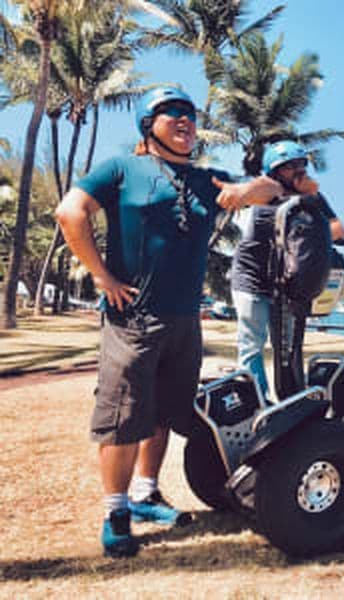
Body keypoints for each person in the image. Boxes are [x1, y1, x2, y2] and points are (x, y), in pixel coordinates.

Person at [56, 86, 286, 558]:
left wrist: (244, 191)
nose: (184, 120)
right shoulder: (122, 169)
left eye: (190, 113)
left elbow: (273, 189)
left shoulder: (205, 179)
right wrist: (101, 276)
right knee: (123, 417)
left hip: (184, 319)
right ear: (148, 124)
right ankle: (116, 512)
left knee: (163, 413)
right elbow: (69, 212)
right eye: (171, 112)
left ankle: (146, 493)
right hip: (133, 319)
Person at [229, 140, 344, 398]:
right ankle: (257, 401)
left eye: (302, 164)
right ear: (275, 171)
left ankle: (291, 398)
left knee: (288, 345)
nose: (299, 171)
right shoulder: (266, 195)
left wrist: (312, 203)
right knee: (252, 342)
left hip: (285, 282)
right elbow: (286, 221)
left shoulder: (310, 198)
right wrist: (311, 210)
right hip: (251, 277)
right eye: (290, 166)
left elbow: (338, 230)